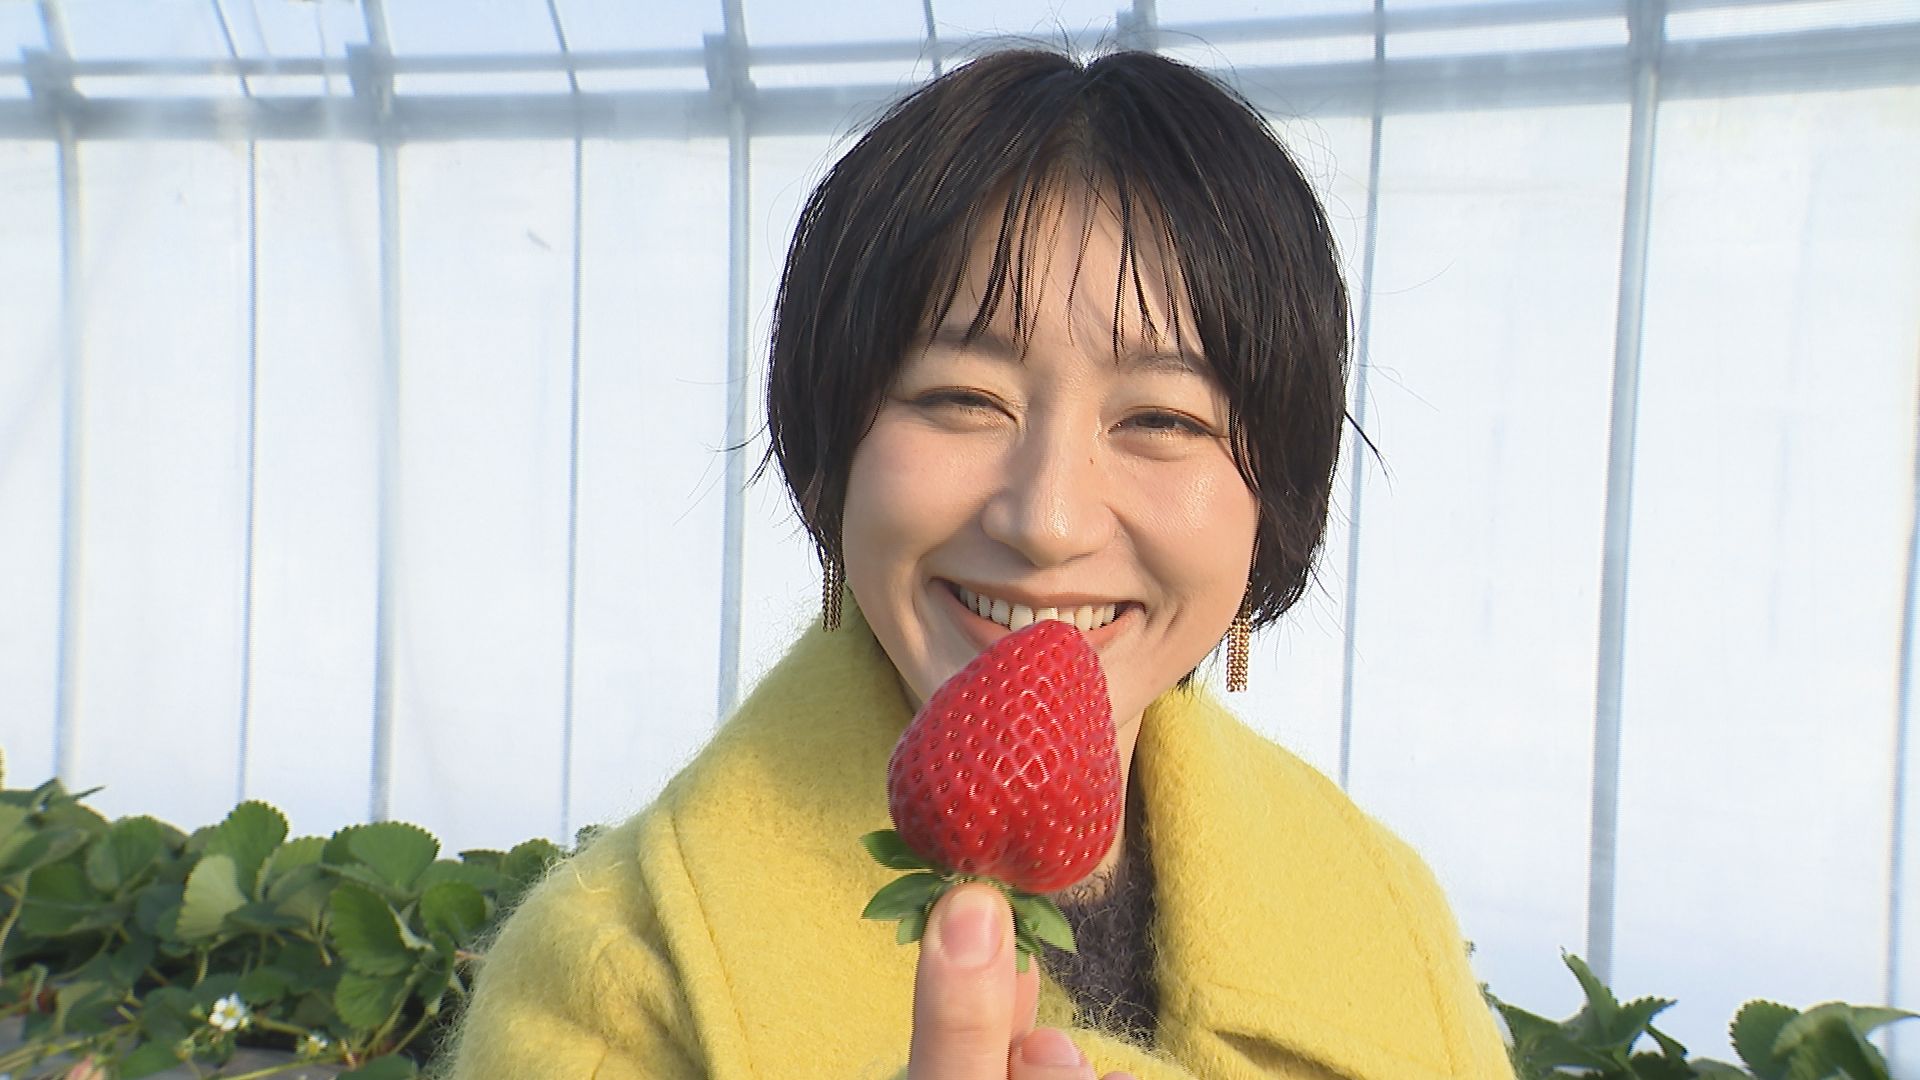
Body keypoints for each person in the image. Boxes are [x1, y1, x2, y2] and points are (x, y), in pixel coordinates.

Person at [439, 48, 1513, 1080]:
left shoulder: (1389, 921)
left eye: (1162, 418)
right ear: (831, 457)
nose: (1047, 520)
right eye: (962, 399)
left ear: (1273, 500)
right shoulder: (617, 979)